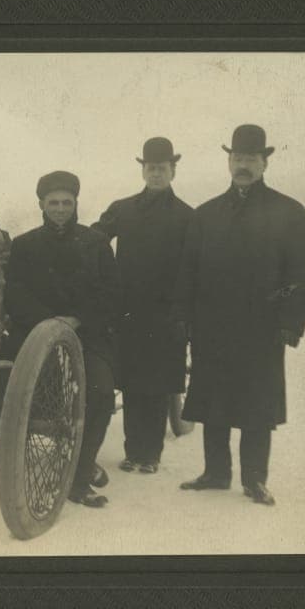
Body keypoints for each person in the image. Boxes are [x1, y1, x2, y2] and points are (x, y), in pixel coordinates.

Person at [174, 125, 305, 505]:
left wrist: (288, 321)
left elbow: (301, 275)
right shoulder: (205, 215)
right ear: (229, 161)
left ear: (265, 162)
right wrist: (185, 320)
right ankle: (215, 473)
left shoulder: (288, 211)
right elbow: (188, 271)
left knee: (257, 405)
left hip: (261, 328)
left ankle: (255, 479)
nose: (243, 165)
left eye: (251, 159)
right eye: (237, 158)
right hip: (212, 327)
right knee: (213, 402)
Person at [3, 171, 121, 508]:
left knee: (99, 391)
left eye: (66, 203)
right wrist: (47, 321)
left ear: (75, 205)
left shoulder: (96, 244)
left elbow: (111, 293)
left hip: (87, 336)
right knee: (15, 388)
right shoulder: (24, 245)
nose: (59, 209)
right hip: (35, 334)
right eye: (53, 202)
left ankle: (79, 478)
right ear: (41, 204)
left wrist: (75, 319)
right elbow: (14, 293)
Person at [92, 137, 195, 474]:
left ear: (173, 171)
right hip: (130, 313)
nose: (155, 174)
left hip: (167, 316)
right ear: (143, 170)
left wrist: (183, 313)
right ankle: (132, 451)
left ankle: (151, 454)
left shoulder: (187, 216)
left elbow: (194, 268)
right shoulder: (123, 208)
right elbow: (95, 239)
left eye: (162, 168)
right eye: (150, 168)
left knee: (159, 386)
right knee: (134, 385)